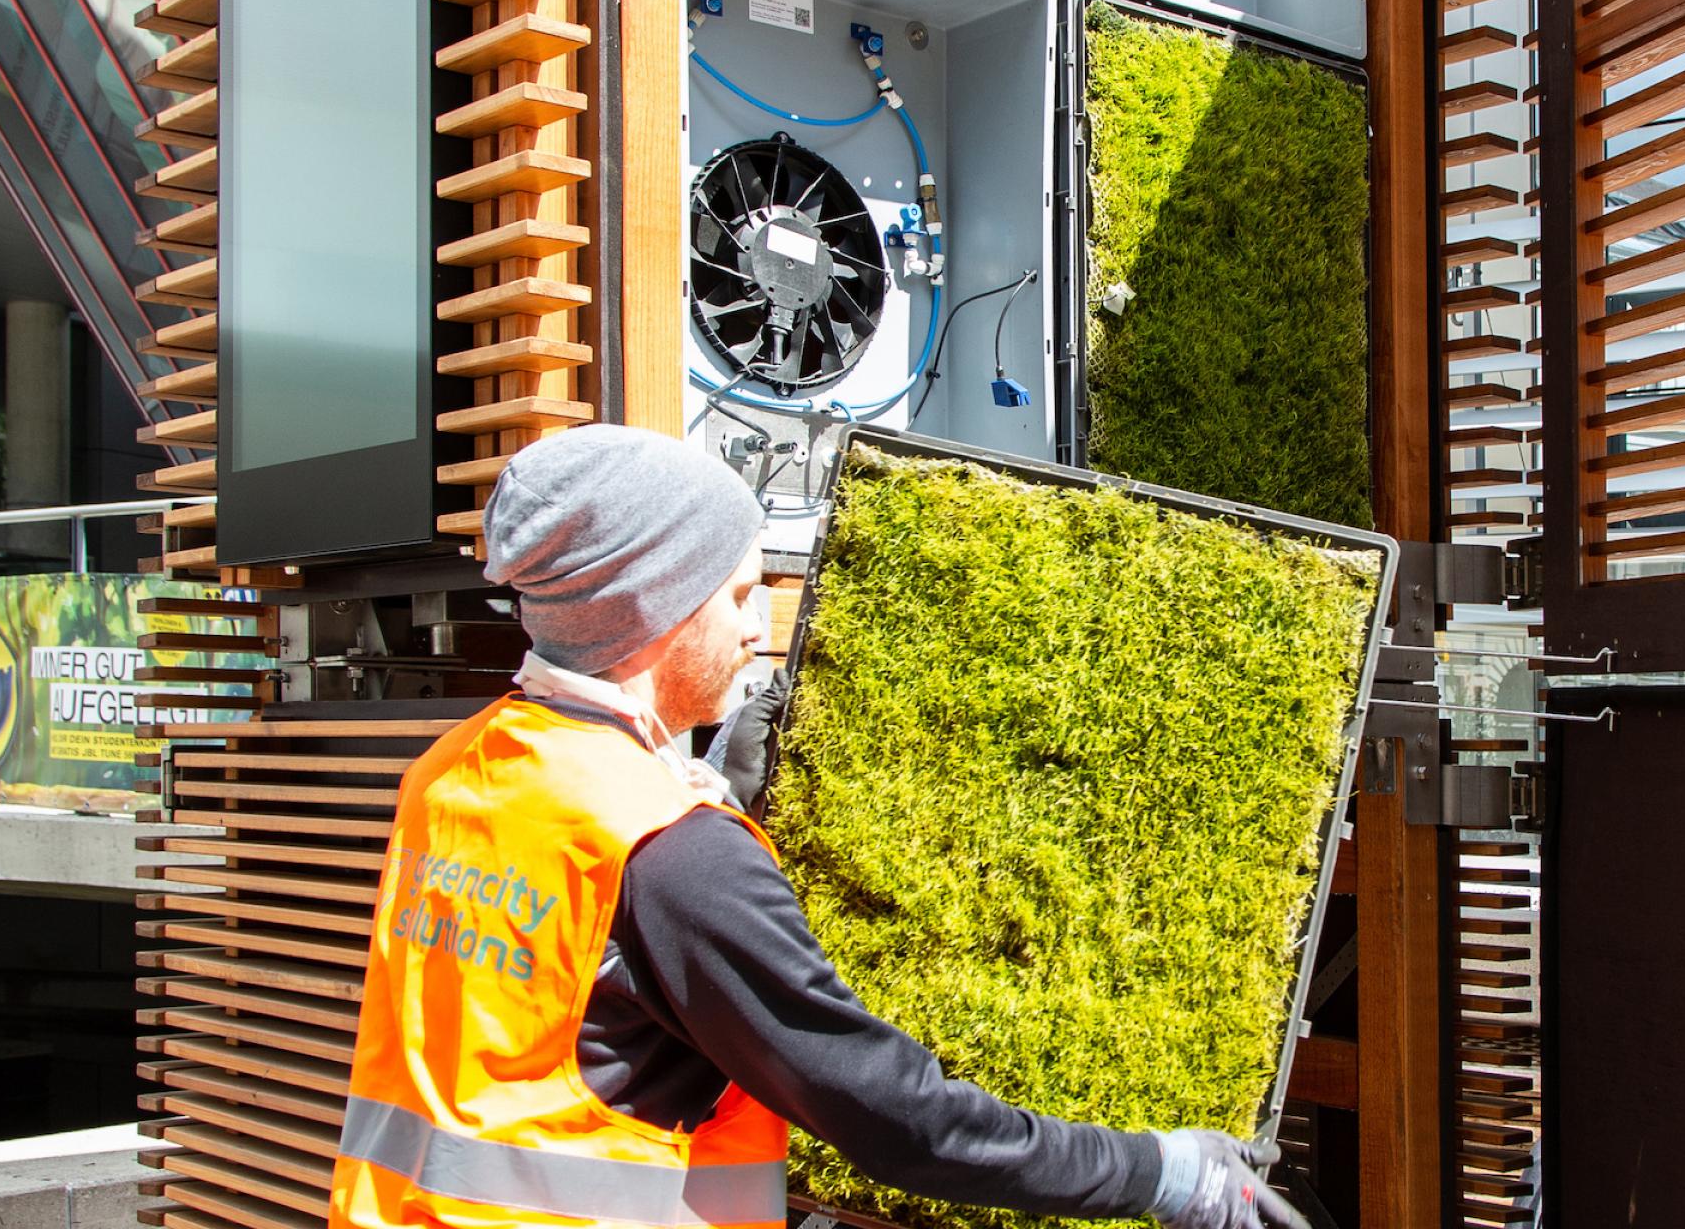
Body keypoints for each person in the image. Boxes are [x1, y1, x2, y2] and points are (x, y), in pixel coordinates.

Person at [325, 425, 1297, 1229]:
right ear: (655, 606)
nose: (758, 627)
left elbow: (564, 1015)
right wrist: (1158, 1174)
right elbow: (893, 1114)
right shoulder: (665, 851)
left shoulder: (454, 773)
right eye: (740, 594)